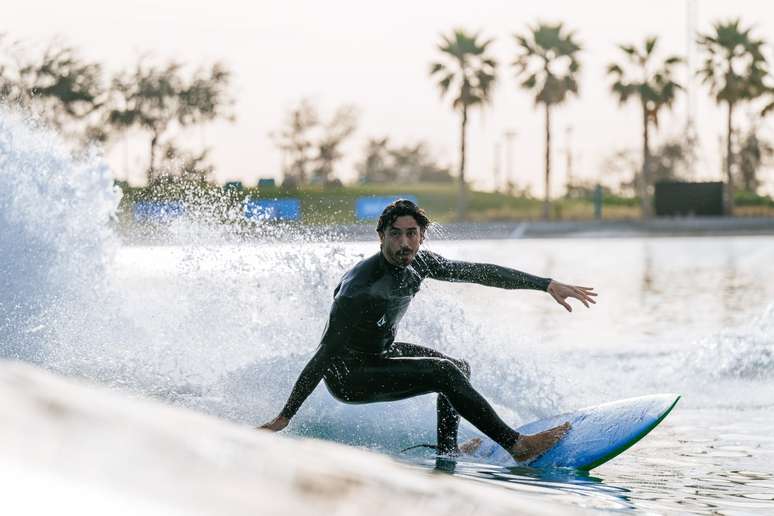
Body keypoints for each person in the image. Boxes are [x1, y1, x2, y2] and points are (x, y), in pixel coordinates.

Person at [260, 199, 597, 462]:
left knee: (458, 369)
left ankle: (447, 452)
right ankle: (518, 445)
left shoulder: (419, 263)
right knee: (444, 372)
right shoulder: (360, 290)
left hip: (380, 353)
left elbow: (479, 273)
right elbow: (324, 355)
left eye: (412, 234)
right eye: (395, 234)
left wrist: (545, 284)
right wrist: (285, 416)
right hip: (348, 375)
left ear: (422, 237)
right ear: (381, 237)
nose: (404, 243)